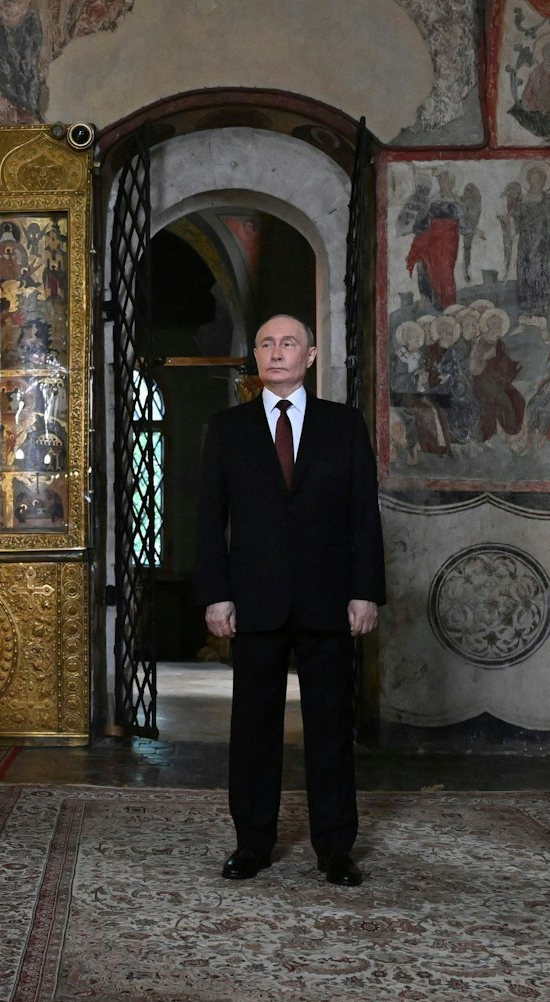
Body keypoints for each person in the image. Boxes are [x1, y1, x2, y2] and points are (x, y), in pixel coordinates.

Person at [196, 315, 385, 887]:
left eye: (288, 344)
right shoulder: (227, 429)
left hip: (330, 599)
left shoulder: (344, 425)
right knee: (254, 729)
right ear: (256, 357)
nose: (276, 353)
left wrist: (365, 591)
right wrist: (217, 596)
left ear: (310, 356)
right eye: (266, 344)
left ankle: (335, 848)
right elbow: (209, 521)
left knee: (330, 729)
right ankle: (252, 843)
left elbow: (364, 515)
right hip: (255, 601)